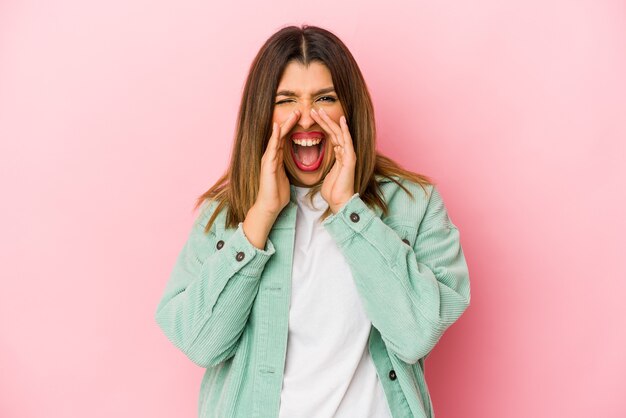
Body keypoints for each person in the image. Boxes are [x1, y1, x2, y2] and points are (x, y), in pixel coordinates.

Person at [154, 24, 471, 418]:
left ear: (348, 109)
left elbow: (415, 335)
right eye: (286, 100)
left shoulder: (414, 205)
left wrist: (349, 211)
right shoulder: (226, 214)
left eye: (325, 98)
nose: (305, 119)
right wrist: (260, 218)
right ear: (262, 113)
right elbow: (200, 342)